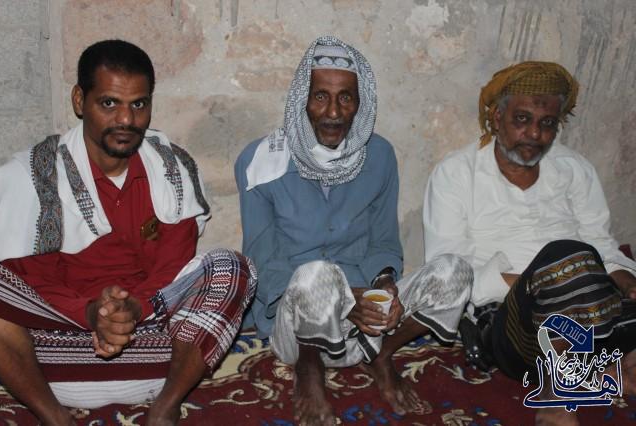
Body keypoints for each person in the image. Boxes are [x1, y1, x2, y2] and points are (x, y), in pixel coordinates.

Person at [0, 39, 256, 426]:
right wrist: (92, 314)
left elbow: (172, 269)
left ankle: (165, 409)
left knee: (233, 267)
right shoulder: (34, 175)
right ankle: (54, 418)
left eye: (138, 104)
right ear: (79, 101)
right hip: (56, 355)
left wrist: (134, 309)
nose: (126, 120)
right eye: (109, 103)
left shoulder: (171, 169)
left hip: (153, 349)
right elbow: (33, 281)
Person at [235, 36, 473, 425]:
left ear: (361, 103)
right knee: (315, 274)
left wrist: (384, 286)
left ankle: (382, 356)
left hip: (367, 323)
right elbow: (264, 261)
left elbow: (384, 240)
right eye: (320, 97)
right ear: (301, 99)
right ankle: (309, 371)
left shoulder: (379, 156)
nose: (333, 112)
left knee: (455, 270)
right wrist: (348, 298)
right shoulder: (260, 161)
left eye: (346, 98)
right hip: (297, 324)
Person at [423, 61, 636, 426]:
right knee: (565, 257)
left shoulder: (575, 169)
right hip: (515, 326)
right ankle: (558, 391)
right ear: (496, 117)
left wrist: (625, 279)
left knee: (583, 270)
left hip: (589, 303)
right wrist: (541, 283)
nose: (535, 134)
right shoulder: (456, 174)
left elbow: (602, 244)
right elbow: (449, 272)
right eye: (522, 119)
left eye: (547, 123)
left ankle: (611, 371)